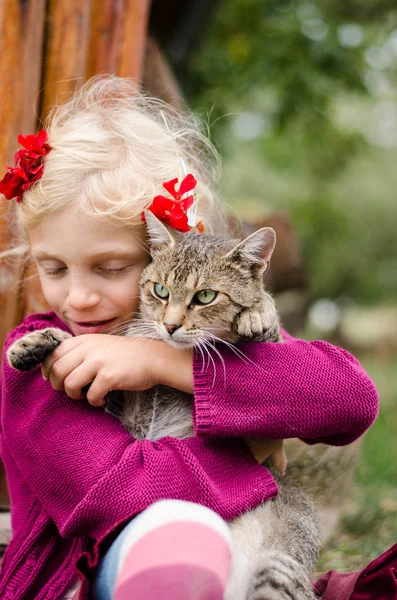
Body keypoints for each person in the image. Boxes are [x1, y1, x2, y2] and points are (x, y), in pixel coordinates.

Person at [0, 76, 379, 600]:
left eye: (110, 268)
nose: (80, 297)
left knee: (287, 523)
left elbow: (347, 399)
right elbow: (116, 492)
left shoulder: (208, 330)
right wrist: (253, 448)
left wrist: (163, 363)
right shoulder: (35, 360)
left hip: (248, 559)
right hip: (94, 575)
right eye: (55, 268)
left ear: (170, 254)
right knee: (182, 532)